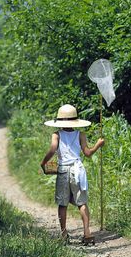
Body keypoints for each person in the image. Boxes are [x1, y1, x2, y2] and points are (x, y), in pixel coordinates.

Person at [41, 104, 104, 244]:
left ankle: (64, 234)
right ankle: (87, 233)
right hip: (77, 170)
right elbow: (87, 153)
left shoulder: (56, 135)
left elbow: (52, 150)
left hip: (63, 170)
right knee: (82, 202)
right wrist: (98, 145)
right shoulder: (80, 134)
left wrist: (43, 162)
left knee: (63, 204)